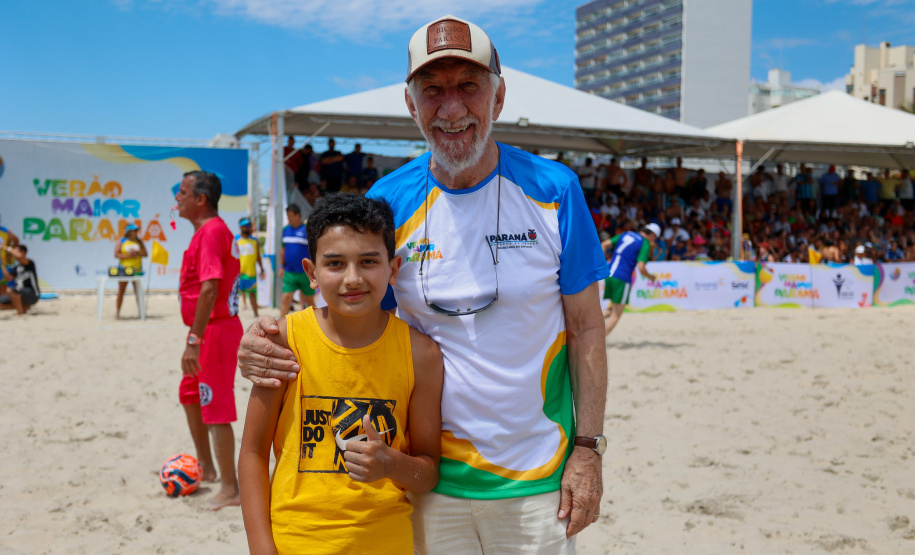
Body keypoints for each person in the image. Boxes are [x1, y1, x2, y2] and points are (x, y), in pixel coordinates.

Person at [237, 14, 609, 553]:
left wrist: (589, 448)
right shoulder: (389, 199)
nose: (451, 108)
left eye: (468, 87)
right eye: (432, 90)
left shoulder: (555, 190)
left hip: (537, 481)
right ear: (411, 104)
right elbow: (352, 314)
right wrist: (263, 337)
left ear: (498, 97)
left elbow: (587, 326)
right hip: (422, 482)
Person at [239, 193, 444, 554]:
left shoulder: (420, 354)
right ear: (311, 273)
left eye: (368, 261)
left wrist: (392, 464)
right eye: (335, 263)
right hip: (294, 541)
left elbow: (428, 471)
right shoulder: (286, 339)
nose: (352, 278)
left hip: (387, 542)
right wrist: (261, 547)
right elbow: (253, 452)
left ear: (393, 268)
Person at [174, 170, 243, 511]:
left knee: (215, 408)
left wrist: (194, 339)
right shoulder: (206, 232)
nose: (177, 198)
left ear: (201, 199)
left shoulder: (213, 232)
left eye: (183, 192)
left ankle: (231, 489)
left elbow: (210, 287)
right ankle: (208, 468)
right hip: (207, 329)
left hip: (214, 331)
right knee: (189, 394)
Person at [601, 224, 659, 337]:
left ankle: (586, 326)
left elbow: (604, 244)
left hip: (609, 274)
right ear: (651, 235)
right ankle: (598, 340)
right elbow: (641, 267)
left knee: (610, 310)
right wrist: (650, 277)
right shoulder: (644, 243)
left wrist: (601, 264)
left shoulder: (626, 234)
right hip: (622, 278)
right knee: (616, 315)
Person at [281, 204, 315, 317]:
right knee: (285, 298)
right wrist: (281, 266)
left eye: (290, 216)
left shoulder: (307, 230)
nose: (289, 218)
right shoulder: (285, 230)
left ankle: (316, 325)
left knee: (309, 301)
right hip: (289, 272)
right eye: (287, 216)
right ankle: (279, 328)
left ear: (298, 215)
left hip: (305, 273)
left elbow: (313, 250)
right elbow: (282, 249)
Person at [113, 223, 147, 319]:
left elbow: (145, 254)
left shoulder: (139, 242)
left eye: (137, 230)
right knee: (121, 291)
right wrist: (129, 255)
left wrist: (137, 253)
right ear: (129, 232)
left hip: (137, 270)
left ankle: (141, 312)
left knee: (138, 292)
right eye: (135, 230)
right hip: (124, 269)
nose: (137, 232)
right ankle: (117, 313)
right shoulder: (122, 241)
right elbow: (116, 254)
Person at [235, 217, 265, 316]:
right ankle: (233, 314)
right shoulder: (236, 240)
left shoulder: (254, 241)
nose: (248, 228)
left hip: (251, 273)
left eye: (249, 226)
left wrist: (261, 268)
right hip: (238, 273)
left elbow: (257, 256)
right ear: (241, 227)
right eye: (246, 226)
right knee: (234, 295)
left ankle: (256, 314)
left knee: (252, 294)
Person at [0, 244, 39, 315]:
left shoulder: (29, 263)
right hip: (20, 293)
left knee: (10, 290)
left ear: (23, 252)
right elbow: (8, 278)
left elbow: (19, 256)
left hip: (32, 293)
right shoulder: (16, 268)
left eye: (15, 250)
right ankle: (23, 307)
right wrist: (2, 264)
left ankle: (20, 312)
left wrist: (5, 248)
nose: (13, 252)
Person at [0, 215, 21, 298]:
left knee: (2, 286)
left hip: (2, 262)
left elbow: (16, 240)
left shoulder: (5, 231)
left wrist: (10, 253)